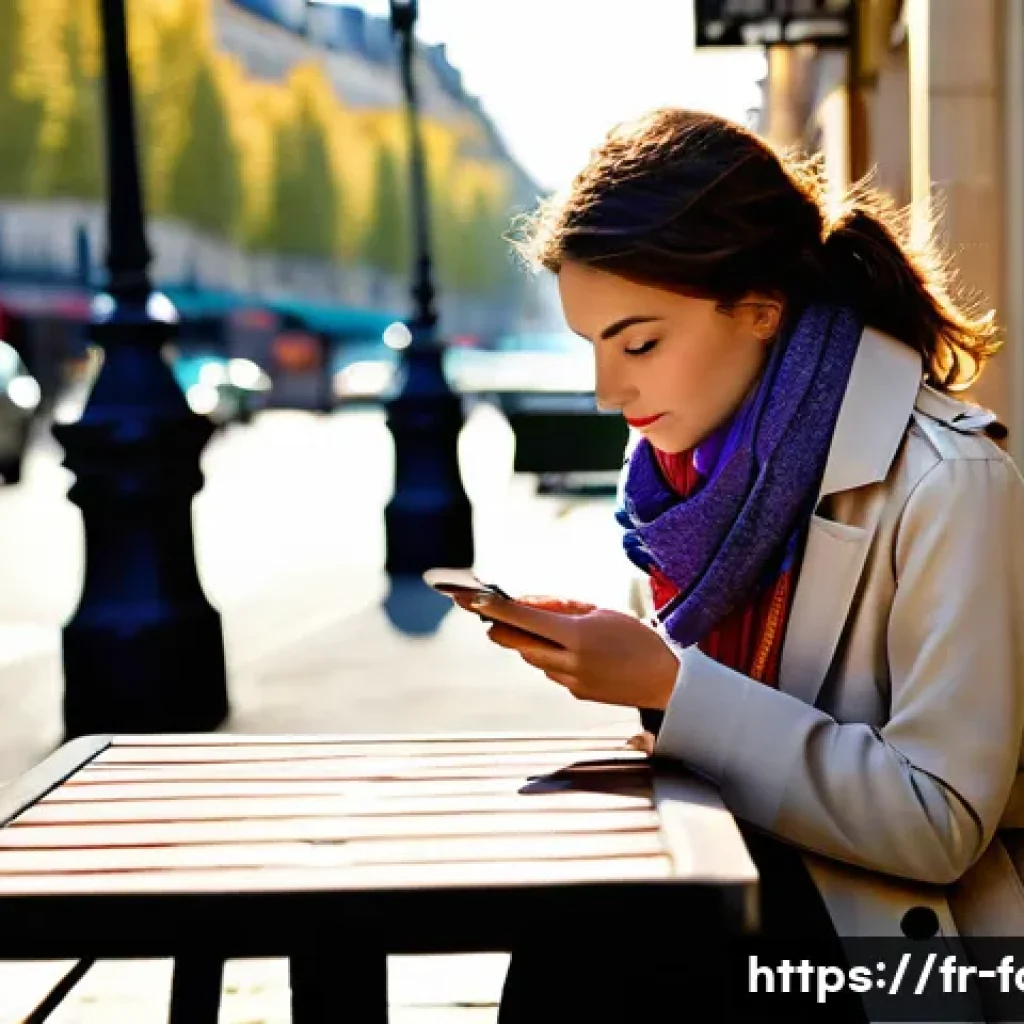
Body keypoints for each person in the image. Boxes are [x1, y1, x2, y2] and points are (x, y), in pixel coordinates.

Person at [448, 109, 1024, 1022]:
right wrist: (627, 671)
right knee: (571, 906)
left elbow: (938, 822)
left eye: (638, 343)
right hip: (737, 889)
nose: (609, 391)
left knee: (599, 948)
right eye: (592, 346)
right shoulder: (681, 493)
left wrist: (676, 690)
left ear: (760, 309)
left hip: (892, 955)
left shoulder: (949, 480)